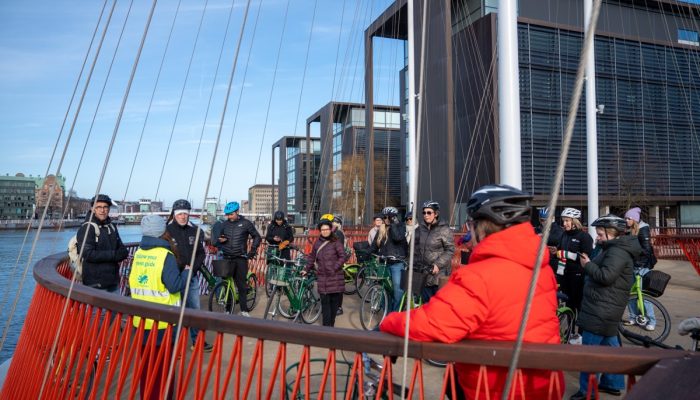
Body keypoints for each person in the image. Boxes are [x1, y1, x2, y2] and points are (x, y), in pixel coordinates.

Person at [380, 184, 562, 400]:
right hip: (541, 384)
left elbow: (434, 323)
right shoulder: (540, 268)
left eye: (471, 224)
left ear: (483, 227)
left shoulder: (480, 275)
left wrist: (387, 323)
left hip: (495, 386)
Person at [569, 215, 641, 400]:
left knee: (590, 351)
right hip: (606, 307)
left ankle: (587, 391)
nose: (598, 238)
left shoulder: (616, 252)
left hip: (601, 309)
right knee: (611, 347)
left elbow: (606, 276)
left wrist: (588, 265)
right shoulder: (614, 249)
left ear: (612, 234)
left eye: (600, 234)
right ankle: (612, 383)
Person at [129, 215, 191, 400]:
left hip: (141, 321)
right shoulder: (165, 256)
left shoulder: (139, 253)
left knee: (146, 367)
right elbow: (174, 285)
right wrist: (186, 273)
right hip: (163, 323)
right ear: (163, 232)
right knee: (164, 368)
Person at [165, 199, 212, 352]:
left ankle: (197, 341)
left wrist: (193, 268)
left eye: (186, 213)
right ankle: (173, 343)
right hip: (173, 277)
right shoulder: (166, 231)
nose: (183, 216)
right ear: (174, 215)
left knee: (195, 309)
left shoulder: (195, 231)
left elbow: (200, 253)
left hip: (191, 276)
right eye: (180, 214)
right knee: (174, 310)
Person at [77, 194, 129, 292]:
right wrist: (114, 255)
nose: (102, 210)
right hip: (95, 284)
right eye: (99, 207)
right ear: (93, 209)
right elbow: (88, 254)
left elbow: (123, 251)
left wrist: (118, 254)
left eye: (105, 207)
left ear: (109, 209)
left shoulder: (112, 226)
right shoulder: (87, 228)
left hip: (113, 281)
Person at [217, 201, 261, 317]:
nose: (229, 216)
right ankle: (228, 308)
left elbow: (257, 236)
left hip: (240, 257)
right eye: (227, 214)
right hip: (227, 257)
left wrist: (253, 250)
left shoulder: (246, 223)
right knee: (227, 284)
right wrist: (220, 241)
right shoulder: (224, 224)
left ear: (237, 212)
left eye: (231, 214)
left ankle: (244, 310)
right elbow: (220, 238)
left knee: (241, 284)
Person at [303, 218, 346, 327]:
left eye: (327, 229)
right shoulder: (317, 243)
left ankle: (330, 326)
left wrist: (334, 267)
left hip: (335, 278)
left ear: (331, 229)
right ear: (320, 231)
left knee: (334, 306)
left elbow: (342, 256)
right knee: (325, 305)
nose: (325, 231)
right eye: (323, 230)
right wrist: (306, 269)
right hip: (322, 278)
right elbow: (312, 256)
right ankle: (326, 329)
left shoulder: (336, 241)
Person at [413, 200, 455, 302]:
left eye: (429, 212)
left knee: (438, 306)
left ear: (436, 214)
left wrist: (437, 265)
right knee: (425, 305)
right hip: (424, 274)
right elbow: (415, 248)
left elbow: (450, 250)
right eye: (424, 212)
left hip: (438, 275)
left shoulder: (444, 230)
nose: (426, 215)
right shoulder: (420, 229)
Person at [624, 206, 657, 331]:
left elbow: (647, 250)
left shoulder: (643, 230)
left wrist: (638, 262)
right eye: (626, 218)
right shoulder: (630, 230)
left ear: (634, 220)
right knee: (631, 293)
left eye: (628, 218)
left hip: (642, 267)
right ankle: (633, 317)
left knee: (643, 295)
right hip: (633, 265)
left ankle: (651, 320)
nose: (626, 220)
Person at [557, 207, 593, 314]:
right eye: (563, 220)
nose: (564, 223)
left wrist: (566, 254)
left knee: (579, 305)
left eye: (567, 220)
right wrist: (556, 252)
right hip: (564, 274)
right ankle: (570, 329)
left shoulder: (584, 237)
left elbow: (585, 258)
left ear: (575, 221)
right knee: (568, 304)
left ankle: (580, 331)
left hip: (578, 275)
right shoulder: (564, 235)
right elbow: (560, 251)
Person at [371, 206, 408, 311]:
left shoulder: (400, 226)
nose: (386, 219)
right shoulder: (381, 229)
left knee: (397, 289)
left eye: (389, 217)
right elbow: (374, 245)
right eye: (385, 217)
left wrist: (393, 224)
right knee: (384, 289)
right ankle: (386, 313)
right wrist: (366, 253)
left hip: (397, 263)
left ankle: (396, 313)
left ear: (394, 217)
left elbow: (397, 237)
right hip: (384, 262)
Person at [537, 207, 564, 278]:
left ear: (552, 219)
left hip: (553, 262)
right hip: (539, 263)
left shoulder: (559, 230)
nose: (544, 222)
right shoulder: (537, 229)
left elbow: (556, 239)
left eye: (547, 220)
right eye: (542, 220)